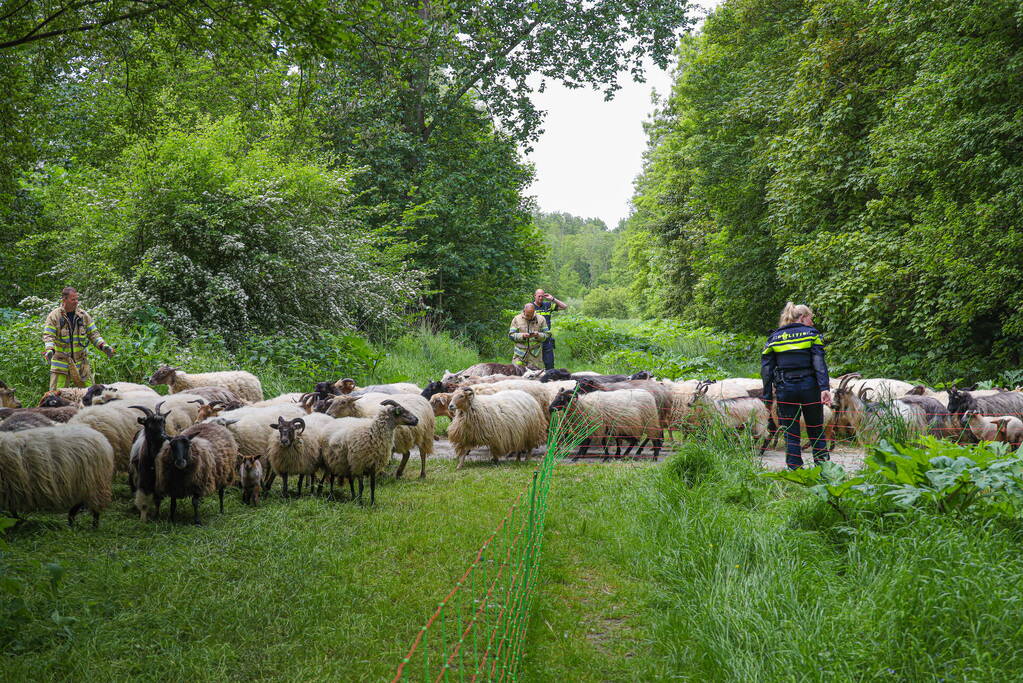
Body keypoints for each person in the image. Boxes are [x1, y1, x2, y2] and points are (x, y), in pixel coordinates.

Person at [761, 302, 831, 470]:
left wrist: (767, 396)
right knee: (816, 429)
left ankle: (795, 470)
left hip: (785, 389)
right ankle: (824, 470)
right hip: (810, 388)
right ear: (802, 317)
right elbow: (819, 363)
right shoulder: (811, 334)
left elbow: (766, 370)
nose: (812, 323)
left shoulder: (774, 338)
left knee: (791, 432)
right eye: (810, 318)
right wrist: (824, 388)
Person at [42, 287, 115, 391]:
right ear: (64, 299)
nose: (76, 302)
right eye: (73, 299)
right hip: (61, 363)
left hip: (81, 363)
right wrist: (49, 350)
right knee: (55, 397)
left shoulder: (83, 315)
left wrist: (104, 346)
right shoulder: (54, 316)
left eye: (77, 299)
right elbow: (49, 336)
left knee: (91, 393)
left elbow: (94, 334)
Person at [532, 289, 567, 370]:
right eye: (539, 296)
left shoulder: (548, 305)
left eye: (542, 296)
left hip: (547, 338)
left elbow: (564, 306)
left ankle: (550, 379)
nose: (540, 298)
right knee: (533, 364)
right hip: (534, 339)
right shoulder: (530, 306)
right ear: (535, 296)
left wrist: (553, 299)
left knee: (550, 364)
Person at [508, 303, 549, 368]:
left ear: (534, 311)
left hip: (535, 355)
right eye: (527, 315)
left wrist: (538, 335)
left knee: (535, 375)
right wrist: (522, 336)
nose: (529, 317)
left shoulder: (541, 319)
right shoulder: (516, 319)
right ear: (524, 311)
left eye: (531, 315)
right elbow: (511, 335)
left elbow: (547, 335)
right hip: (519, 354)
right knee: (517, 374)